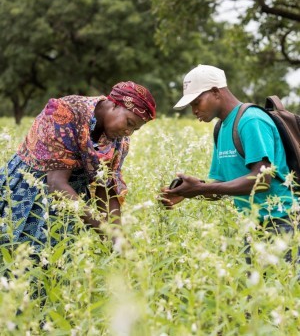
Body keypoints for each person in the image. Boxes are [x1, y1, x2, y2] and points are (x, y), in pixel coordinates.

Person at [161, 64, 299, 263]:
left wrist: (200, 189)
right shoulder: (221, 128)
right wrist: (188, 191)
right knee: (254, 293)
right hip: (253, 227)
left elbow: (262, 180)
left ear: (216, 92)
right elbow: (223, 186)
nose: (194, 110)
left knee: (283, 291)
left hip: (283, 224)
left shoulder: (251, 120)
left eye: (196, 102)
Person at [0, 81, 156, 249]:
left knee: (58, 263)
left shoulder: (119, 141)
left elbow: (107, 188)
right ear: (114, 104)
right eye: (129, 123)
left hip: (72, 203)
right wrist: (106, 232)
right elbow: (56, 184)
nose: (128, 132)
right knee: (18, 256)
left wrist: (118, 237)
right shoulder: (65, 111)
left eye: (134, 130)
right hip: (31, 190)